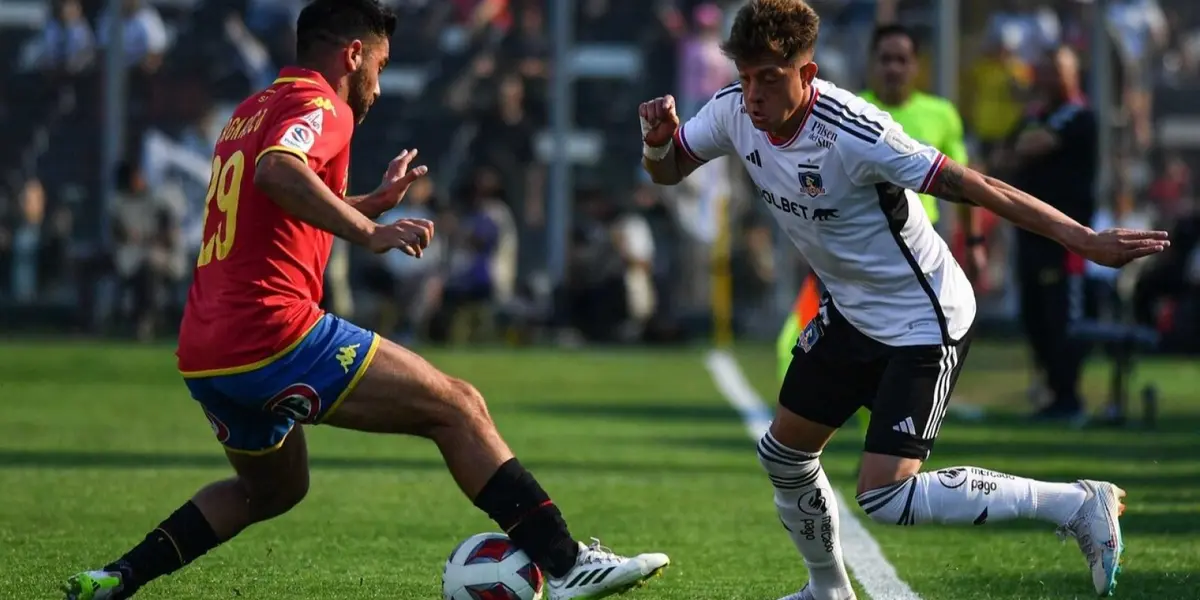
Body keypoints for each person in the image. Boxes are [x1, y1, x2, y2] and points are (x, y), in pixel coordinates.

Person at [61, 2, 669, 599]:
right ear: (354, 54)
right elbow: (278, 172)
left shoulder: (250, 110)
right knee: (457, 406)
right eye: (380, 65)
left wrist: (367, 203)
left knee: (271, 490)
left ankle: (118, 577)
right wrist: (369, 231)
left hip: (207, 350)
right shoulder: (321, 104)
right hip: (271, 330)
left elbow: (271, 198)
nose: (378, 87)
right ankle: (565, 564)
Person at [638, 2, 1167, 599]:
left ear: (807, 74)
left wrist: (1083, 238)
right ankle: (828, 591)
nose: (754, 94)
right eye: (745, 76)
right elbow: (670, 169)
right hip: (851, 311)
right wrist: (656, 145)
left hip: (925, 317)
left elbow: (978, 185)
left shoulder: (856, 132)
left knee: (885, 496)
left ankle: (1074, 503)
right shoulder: (733, 110)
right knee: (784, 455)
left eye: (769, 78)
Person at [776, 23, 984, 409]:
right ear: (872, 63)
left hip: (918, 254)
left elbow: (964, 181)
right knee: (814, 348)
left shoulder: (941, 115)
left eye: (901, 60)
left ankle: (888, 428)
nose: (893, 68)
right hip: (857, 250)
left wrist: (973, 242)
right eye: (885, 59)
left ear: (916, 65)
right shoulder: (850, 112)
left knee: (898, 357)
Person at [1003, 46, 1098, 423]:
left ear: (1073, 74)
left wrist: (1021, 149)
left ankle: (1069, 396)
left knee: (1062, 315)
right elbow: (1004, 156)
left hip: (1066, 239)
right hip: (1029, 233)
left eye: (1056, 70)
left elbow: (1029, 146)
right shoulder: (1036, 115)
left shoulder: (1078, 115)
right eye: (1044, 69)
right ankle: (1052, 392)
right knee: (1034, 314)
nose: (1048, 77)